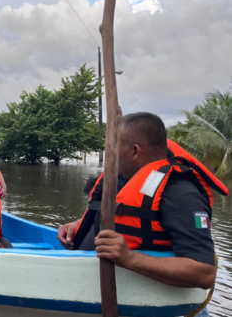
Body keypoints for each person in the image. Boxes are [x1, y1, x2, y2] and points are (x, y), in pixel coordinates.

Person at [58, 112, 226, 291]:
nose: (111, 156)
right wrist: (79, 224)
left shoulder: (181, 193)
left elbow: (205, 273)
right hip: (88, 272)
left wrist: (130, 258)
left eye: (115, 148)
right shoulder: (127, 178)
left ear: (135, 151)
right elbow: (123, 215)